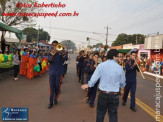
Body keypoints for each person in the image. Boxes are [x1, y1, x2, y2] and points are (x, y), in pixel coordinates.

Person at [81, 49, 126, 122]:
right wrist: (120, 86)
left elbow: (94, 78)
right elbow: (122, 82)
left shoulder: (101, 65)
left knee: (100, 115)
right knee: (113, 115)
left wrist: (89, 84)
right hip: (114, 95)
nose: (119, 58)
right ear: (114, 57)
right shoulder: (119, 68)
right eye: (118, 56)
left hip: (103, 94)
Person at [48, 40, 65, 109]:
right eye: (53, 45)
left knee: (57, 87)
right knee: (51, 88)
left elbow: (65, 59)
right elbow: (49, 61)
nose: (55, 47)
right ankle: (50, 102)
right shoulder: (50, 53)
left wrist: (61, 53)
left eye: (56, 45)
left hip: (58, 72)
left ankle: (56, 98)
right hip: (51, 72)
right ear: (52, 46)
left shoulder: (61, 53)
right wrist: (52, 55)